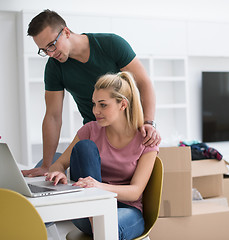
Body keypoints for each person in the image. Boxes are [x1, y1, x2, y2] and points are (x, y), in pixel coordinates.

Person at [22, 9, 160, 177]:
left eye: (51, 45)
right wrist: (46, 164)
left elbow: (144, 83)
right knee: (65, 171)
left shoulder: (111, 44)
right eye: (44, 50)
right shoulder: (54, 67)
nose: (50, 54)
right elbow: (53, 116)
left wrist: (148, 122)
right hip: (94, 137)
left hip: (125, 134)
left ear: (66, 32)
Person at [46, 71, 159, 239]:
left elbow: (135, 192)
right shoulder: (90, 130)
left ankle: (101, 227)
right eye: (94, 104)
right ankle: (98, 223)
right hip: (88, 210)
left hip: (127, 210)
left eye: (103, 105)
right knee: (85, 147)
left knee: (110, 227)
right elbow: (59, 164)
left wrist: (98, 186)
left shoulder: (146, 140)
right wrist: (59, 171)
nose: (95, 111)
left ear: (123, 105)